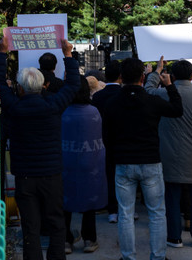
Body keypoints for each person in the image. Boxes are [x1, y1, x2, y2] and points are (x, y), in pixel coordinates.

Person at [0, 39, 79, 260]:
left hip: (25, 177)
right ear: (42, 86)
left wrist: (2, 53)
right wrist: (68, 55)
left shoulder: (14, 107)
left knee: (31, 228)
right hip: (52, 176)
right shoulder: (54, 106)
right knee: (56, 223)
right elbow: (73, 85)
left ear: (20, 88)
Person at [103, 57, 183, 260]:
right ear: (142, 76)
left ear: (121, 77)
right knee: (156, 213)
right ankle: (158, 256)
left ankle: (128, 256)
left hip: (123, 162)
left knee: (126, 214)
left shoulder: (112, 104)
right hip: (150, 161)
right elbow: (177, 110)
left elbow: (107, 136)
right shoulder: (152, 101)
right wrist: (169, 86)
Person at [145, 58, 192, 249]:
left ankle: (174, 237)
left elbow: (147, 90)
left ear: (171, 76)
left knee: (171, 198)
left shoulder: (163, 93)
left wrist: (156, 71)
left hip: (169, 153)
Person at [61, 77, 106, 254]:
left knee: (65, 201)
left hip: (66, 162)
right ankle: (89, 239)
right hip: (91, 162)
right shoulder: (94, 112)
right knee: (89, 200)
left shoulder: (63, 112)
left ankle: (65, 241)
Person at [90, 60, 122, 223]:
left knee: (108, 174)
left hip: (102, 140)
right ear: (120, 77)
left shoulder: (97, 97)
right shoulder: (124, 94)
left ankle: (111, 208)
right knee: (123, 176)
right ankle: (124, 208)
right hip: (123, 140)